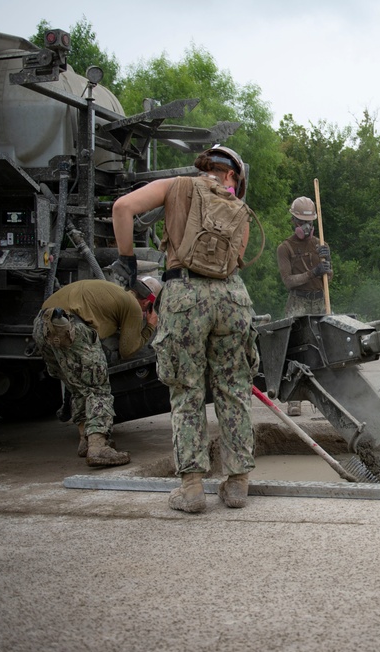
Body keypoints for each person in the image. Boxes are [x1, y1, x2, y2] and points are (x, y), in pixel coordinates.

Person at [111, 145, 258, 513]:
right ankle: (238, 483)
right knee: (234, 389)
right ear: (232, 176)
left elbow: (122, 209)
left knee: (186, 391)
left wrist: (128, 265)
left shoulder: (175, 186)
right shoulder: (239, 208)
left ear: (206, 167)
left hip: (184, 296)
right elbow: (238, 258)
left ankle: (192, 488)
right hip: (232, 299)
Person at [32, 277, 160, 467]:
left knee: (78, 388)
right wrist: (150, 326)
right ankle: (98, 447)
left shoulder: (112, 292)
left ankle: (85, 440)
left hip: (41, 326)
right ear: (148, 302)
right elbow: (127, 349)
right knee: (98, 389)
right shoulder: (133, 305)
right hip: (71, 327)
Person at [276, 195, 332, 416]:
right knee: (295, 351)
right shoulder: (285, 248)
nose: (306, 227)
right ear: (294, 222)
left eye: (309, 223)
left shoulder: (321, 244)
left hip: (319, 301)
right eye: (301, 222)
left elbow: (330, 277)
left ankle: (322, 397)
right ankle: (294, 399)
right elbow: (288, 281)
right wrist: (312, 273)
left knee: (323, 350)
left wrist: (326, 266)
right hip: (298, 302)